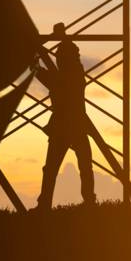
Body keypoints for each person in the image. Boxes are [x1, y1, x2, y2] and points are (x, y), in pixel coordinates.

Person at [35, 23, 95, 210]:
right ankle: (88, 202)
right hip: (72, 126)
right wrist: (61, 36)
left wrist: (58, 36)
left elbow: (40, 63)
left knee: (56, 168)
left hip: (65, 127)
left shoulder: (67, 75)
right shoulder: (75, 74)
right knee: (81, 166)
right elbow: (45, 63)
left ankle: (46, 204)